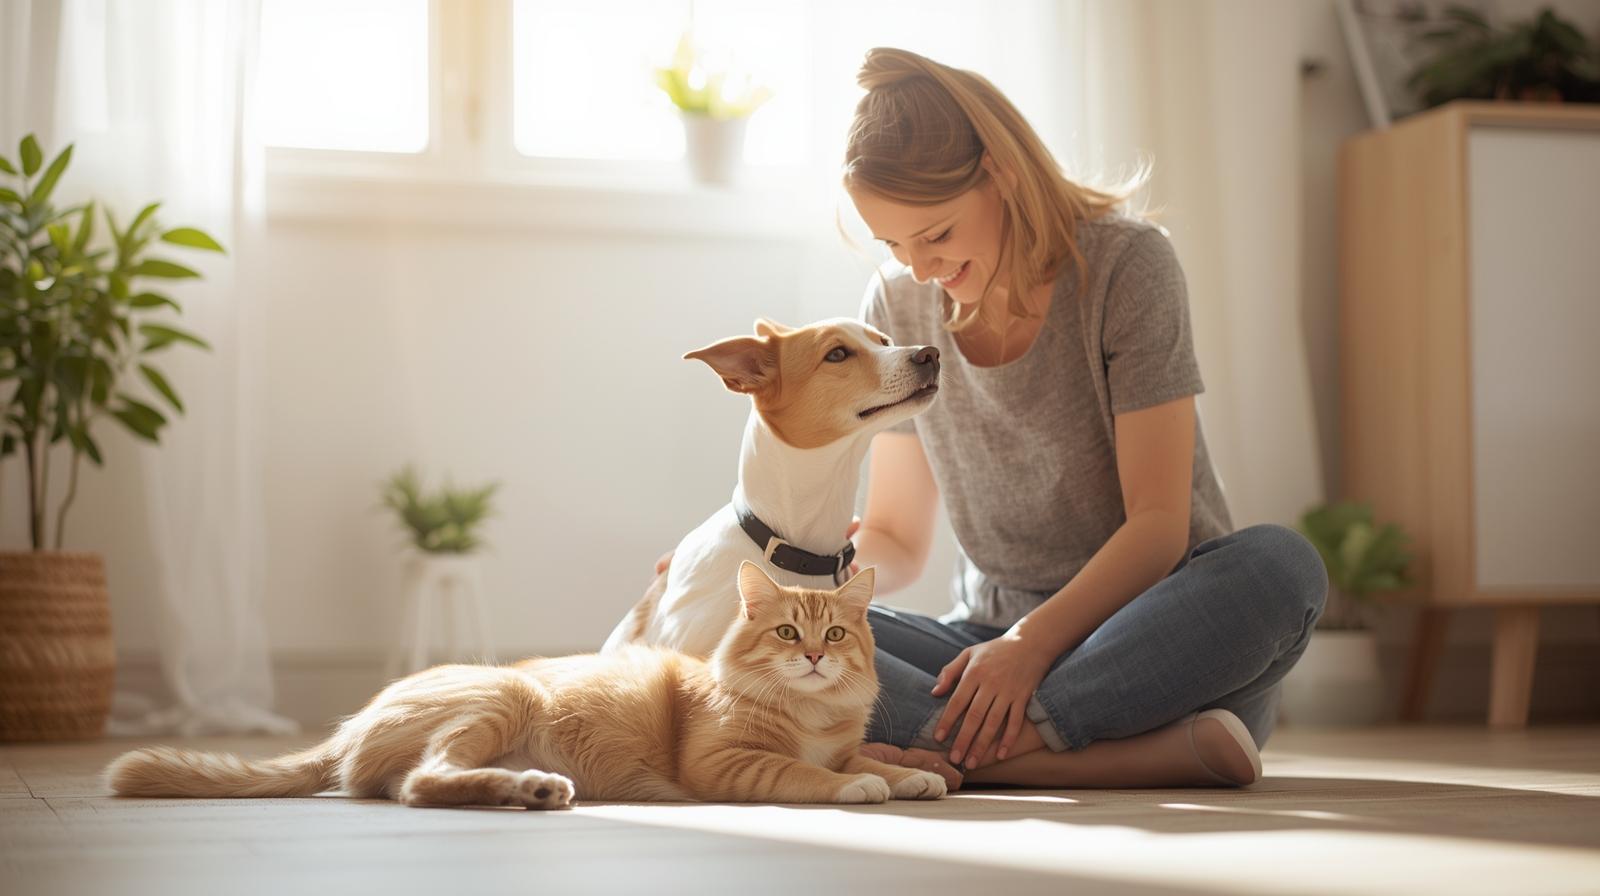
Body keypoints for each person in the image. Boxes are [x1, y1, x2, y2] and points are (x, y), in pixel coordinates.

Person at [833, 47, 1327, 789]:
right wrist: (789, 575)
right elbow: (898, 537)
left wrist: (1032, 647)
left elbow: (1158, 525)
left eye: (935, 235)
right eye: (894, 246)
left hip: (1157, 643)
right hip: (984, 650)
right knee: (780, 638)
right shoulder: (898, 304)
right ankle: (1090, 756)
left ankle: (975, 752)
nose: (921, 268)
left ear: (999, 171)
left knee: (1283, 569)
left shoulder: (1128, 267)